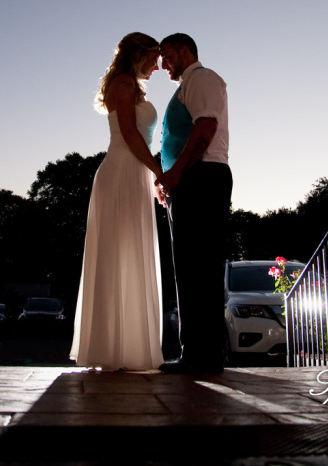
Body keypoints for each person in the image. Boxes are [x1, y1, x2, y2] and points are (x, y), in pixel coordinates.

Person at [70, 32, 165, 371]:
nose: (157, 66)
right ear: (140, 55)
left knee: (130, 252)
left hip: (135, 173)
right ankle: (111, 348)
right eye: (154, 59)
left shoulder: (133, 86)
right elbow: (129, 134)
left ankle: (129, 348)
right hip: (122, 172)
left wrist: (152, 177)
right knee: (116, 253)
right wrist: (158, 171)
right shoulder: (123, 84)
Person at [156, 33, 232, 373]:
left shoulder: (202, 78)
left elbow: (205, 129)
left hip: (202, 178)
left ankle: (204, 355)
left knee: (201, 268)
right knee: (189, 269)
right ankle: (198, 353)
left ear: (185, 50)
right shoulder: (186, 85)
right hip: (188, 180)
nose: (162, 64)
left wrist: (177, 174)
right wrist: (167, 179)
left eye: (167, 55)